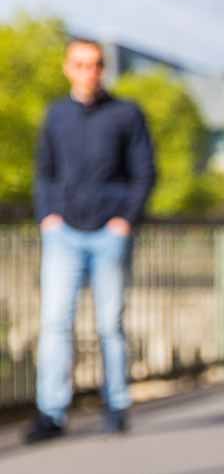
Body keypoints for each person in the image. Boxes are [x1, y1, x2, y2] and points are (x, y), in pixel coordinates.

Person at [26, 37, 157, 444]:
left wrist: (126, 219)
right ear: (68, 68)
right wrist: (48, 215)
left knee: (109, 325)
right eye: (80, 64)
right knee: (55, 323)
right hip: (63, 232)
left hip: (109, 232)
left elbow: (145, 172)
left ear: (104, 69)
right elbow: (44, 171)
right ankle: (51, 412)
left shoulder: (126, 114)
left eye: (96, 64)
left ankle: (116, 405)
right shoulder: (56, 115)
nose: (89, 71)